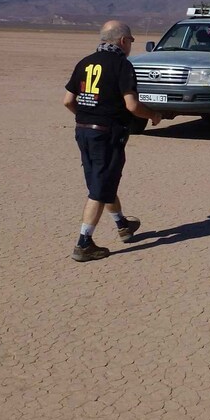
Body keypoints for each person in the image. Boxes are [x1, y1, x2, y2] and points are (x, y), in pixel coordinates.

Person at [62, 20, 162, 262]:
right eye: (130, 42)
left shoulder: (84, 62)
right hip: (107, 134)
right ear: (123, 41)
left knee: (102, 181)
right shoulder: (121, 65)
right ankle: (84, 243)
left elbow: (67, 101)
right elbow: (132, 105)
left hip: (84, 131)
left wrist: (88, 118)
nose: (129, 47)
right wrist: (154, 115)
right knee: (98, 189)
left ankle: (122, 225)